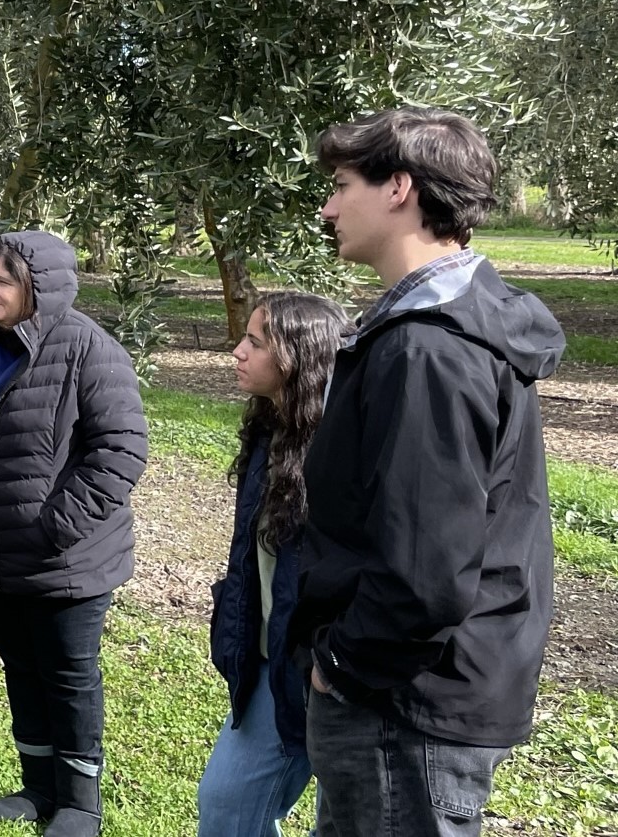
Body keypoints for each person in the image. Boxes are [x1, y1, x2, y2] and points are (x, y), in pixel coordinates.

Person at [293, 108, 563, 837]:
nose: (327, 206)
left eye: (341, 184)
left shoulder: (430, 350)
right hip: (421, 692)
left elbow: (425, 569)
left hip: (403, 704)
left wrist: (341, 664)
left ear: (398, 188)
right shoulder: (446, 322)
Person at [0, 231, 148, 837]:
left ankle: (80, 804)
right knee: (19, 665)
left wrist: (58, 526)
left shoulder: (89, 349)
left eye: (3, 281)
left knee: (69, 675)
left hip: (65, 560)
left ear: (37, 288)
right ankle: (39, 787)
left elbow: (121, 450)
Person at [197, 290, 347, 837]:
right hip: (271, 662)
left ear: (299, 358)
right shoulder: (269, 429)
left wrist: (326, 661)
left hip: (332, 674)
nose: (237, 351)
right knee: (226, 806)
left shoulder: (341, 448)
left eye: (255, 343)